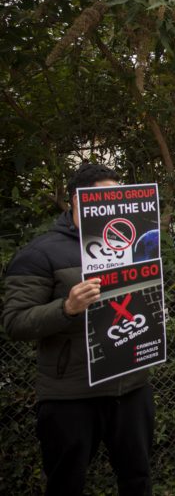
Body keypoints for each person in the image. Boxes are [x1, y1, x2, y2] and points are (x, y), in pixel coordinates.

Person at [2, 163, 154, 496]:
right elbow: (14, 322)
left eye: (116, 197)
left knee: (138, 478)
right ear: (77, 201)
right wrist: (66, 308)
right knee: (66, 483)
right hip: (71, 395)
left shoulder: (131, 240)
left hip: (130, 387)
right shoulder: (40, 253)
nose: (111, 205)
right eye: (103, 197)